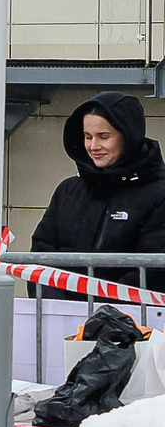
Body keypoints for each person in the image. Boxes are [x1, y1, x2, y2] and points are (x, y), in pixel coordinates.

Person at [29, 91, 165, 292]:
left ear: (129, 136)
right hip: (60, 316)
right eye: (87, 136)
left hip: (128, 319)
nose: (93, 146)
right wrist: (58, 303)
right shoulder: (68, 190)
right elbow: (41, 255)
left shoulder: (158, 193)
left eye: (103, 136)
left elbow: (153, 269)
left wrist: (101, 310)